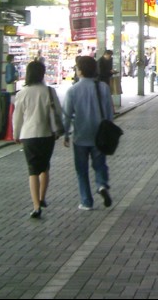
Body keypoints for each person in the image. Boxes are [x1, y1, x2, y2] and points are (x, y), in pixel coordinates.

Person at [12, 60, 64, 219]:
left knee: (32, 170)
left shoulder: (22, 93)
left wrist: (16, 134)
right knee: (45, 167)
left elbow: (17, 117)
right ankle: (42, 198)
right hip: (47, 134)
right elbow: (58, 112)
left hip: (28, 135)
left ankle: (35, 206)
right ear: (42, 74)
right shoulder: (49, 91)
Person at [62, 56, 114, 210]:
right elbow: (109, 112)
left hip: (80, 136)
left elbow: (66, 115)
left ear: (80, 71)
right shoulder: (103, 87)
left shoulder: (72, 90)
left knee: (81, 170)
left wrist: (65, 134)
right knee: (100, 165)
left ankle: (86, 201)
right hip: (99, 135)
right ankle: (102, 185)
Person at [0, 54, 19, 139]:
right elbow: (10, 78)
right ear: (12, 59)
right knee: (12, 104)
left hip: (9, 86)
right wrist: (16, 75)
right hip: (11, 86)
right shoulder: (10, 66)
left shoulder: (8, 66)